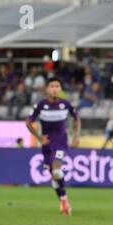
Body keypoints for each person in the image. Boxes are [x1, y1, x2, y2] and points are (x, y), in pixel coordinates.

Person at [25, 77, 81, 216]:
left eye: (57, 86)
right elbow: (28, 122)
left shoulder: (66, 104)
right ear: (47, 89)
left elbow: (76, 118)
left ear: (60, 89)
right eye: (52, 86)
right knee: (53, 176)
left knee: (56, 170)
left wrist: (76, 135)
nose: (55, 89)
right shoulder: (41, 105)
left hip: (61, 141)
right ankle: (63, 200)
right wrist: (39, 137)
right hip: (47, 143)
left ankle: (64, 201)